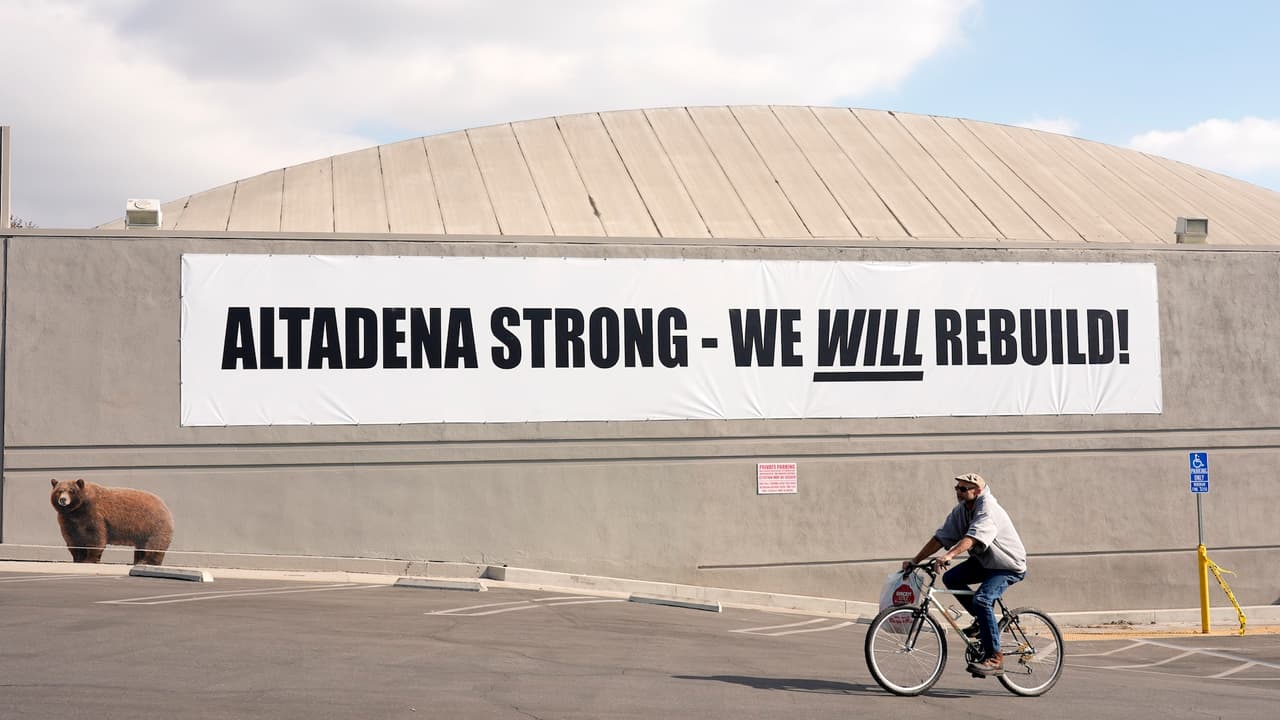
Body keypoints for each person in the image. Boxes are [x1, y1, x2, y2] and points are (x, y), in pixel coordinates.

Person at [901, 472, 1027, 677]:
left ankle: (995, 658)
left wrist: (950, 554)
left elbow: (973, 538)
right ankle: (981, 623)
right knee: (952, 578)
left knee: (983, 599)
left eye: (963, 489)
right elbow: (940, 538)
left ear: (977, 491)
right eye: (956, 488)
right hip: (985, 563)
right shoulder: (961, 511)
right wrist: (915, 561)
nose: (958, 493)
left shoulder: (988, 509)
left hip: (1008, 566)